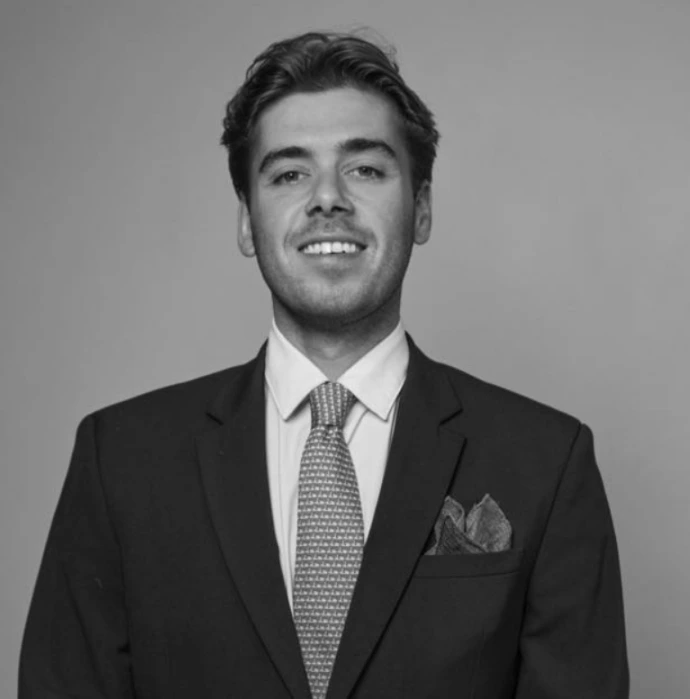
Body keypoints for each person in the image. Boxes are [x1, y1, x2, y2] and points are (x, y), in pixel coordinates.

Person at [19, 31, 629, 699]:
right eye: (289, 174)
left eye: (365, 169)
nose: (327, 198)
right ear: (247, 221)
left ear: (422, 208)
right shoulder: (121, 460)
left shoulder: (546, 461)